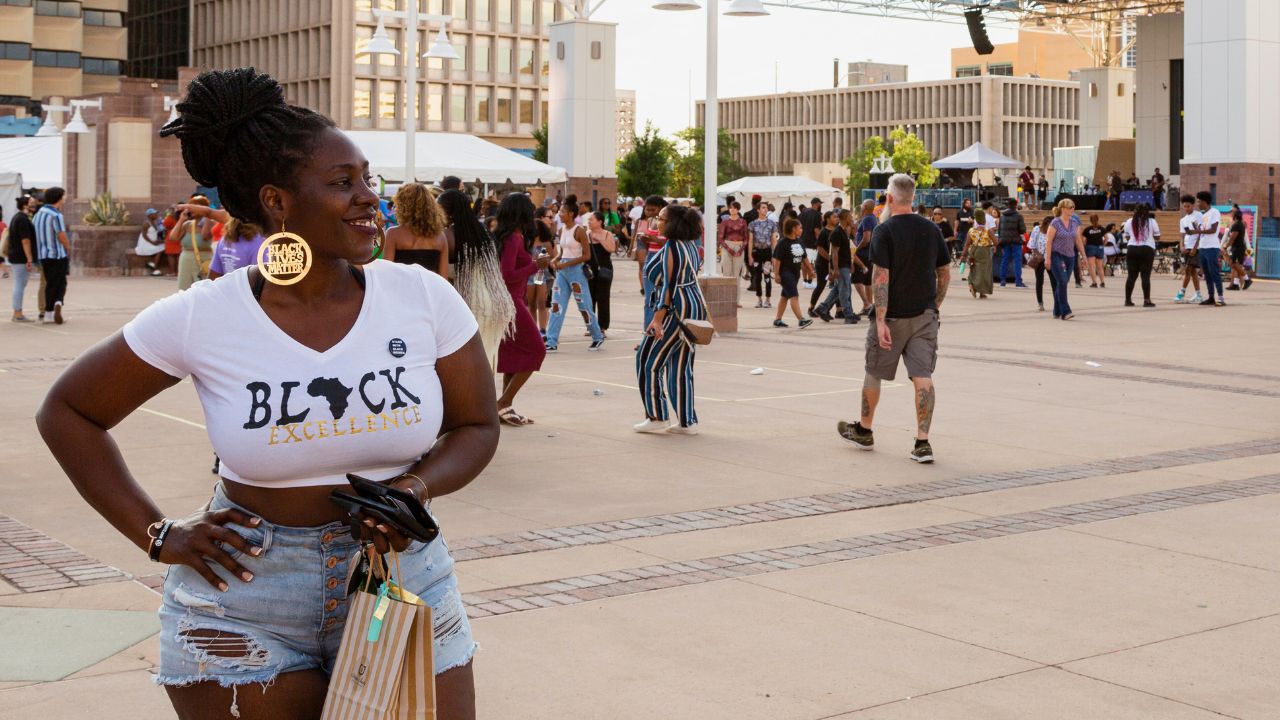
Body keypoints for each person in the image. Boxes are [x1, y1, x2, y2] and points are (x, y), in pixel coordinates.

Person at [37, 67, 494, 719]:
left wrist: (412, 489)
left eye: (368, 178)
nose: (370, 198)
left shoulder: (422, 299)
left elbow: (477, 425)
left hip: (402, 577)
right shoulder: (204, 316)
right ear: (277, 202)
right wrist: (159, 534)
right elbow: (69, 411)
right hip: (244, 597)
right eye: (343, 183)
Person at [837, 173, 949, 464]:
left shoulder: (885, 231)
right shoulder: (931, 229)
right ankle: (922, 442)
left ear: (889, 198)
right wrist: (934, 305)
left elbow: (880, 277)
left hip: (894, 316)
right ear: (913, 198)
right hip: (924, 317)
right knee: (923, 377)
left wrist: (881, 319)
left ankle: (864, 430)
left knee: (874, 371)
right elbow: (944, 272)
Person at [635, 205, 708, 435]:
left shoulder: (673, 248)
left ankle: (656, 415)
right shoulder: (690, 246)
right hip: (691, 309)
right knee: (680, 366)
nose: (658, 221)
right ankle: (687, 422)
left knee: (647, 360)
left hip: (675, 311)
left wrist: (657, 318)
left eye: (662, 218)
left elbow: (670, 286)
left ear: (674, 222)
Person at [437, 188, 515, 368]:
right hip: (494, 303)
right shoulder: (482, 232)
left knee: (471, 365)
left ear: (449, 211)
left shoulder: (447, 236)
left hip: (471, 303)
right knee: (488, 359)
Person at [494, 193, 548, 426]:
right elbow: (507, 275)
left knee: (514, 356)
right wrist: (535, 265)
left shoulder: (507, 236)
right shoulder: (514, 238)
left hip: (511, 300)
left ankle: (506, 407)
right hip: (512, 302)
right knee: (537, 350)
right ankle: (503, 402)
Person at [544, 201, 605, 352]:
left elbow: (586, 255)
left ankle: (597, 336)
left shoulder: (579, 231)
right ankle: (551, 340)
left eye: (562, 212)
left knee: (584, 306)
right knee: (556, 305)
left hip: (576, 271)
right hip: (562, 272)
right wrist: (555, 259)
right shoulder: (562, 229)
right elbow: (562, 251)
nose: (559, 214)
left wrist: (565, 264)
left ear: (571, 213)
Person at [382, 183, 449, 277]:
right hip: (429, 289)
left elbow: (386, 272)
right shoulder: (440, 236)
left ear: (402, 206)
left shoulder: (393, 234)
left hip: (402, 288)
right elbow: (444, 277)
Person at [34, 186, 70, 324]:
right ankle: (58, 303)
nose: (65, 199)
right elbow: (61, 234)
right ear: (59, 198)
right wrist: (68, 247)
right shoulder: (56, 215)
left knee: (50, 283)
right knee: (61, 283)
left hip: (43, 255)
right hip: (57, 255)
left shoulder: (39, 213)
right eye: (64, 196)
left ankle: (49, 312)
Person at [814, 209, 857, 324]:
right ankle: (848, 314)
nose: (851, 218)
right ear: (845, 217)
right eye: (850, 217)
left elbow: (846, 251)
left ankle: (822, 308)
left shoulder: (843, 231)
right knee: (844, 290)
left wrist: (850, 264)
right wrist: (835, 268)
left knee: (838, 289)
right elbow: (834, 252)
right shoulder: (837, 232)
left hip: (845, 265)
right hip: (841, 266)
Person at [771, 218, 815, 329]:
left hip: (795, 273)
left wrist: (811, 270)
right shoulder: (782, 243)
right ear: (793, 229)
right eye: (800, 227)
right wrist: (776, 274)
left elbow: (804, 258)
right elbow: (777, 260)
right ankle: (801, 320)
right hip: (785, 273)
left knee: (785, 296)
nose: (802, 229)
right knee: (794, 296)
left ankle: (777, 319)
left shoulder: (799, 241)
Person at [1046, 199, 1085, 319]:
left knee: (1062, 283)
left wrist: (1084, 256)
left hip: (1070, 256)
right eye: (1070, 207)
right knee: (1062, 281)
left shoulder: (1075, 223)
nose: (1072, 209)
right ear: (1063, 209)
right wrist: (1047, 259)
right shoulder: (1055, 222)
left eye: (1073, 207)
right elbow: (1049, 241)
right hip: (1056, 254)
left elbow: (1078, 240)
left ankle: (1056, 311)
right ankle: (1065, 311)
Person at [168, 194, 214, 291]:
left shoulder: (210, 222)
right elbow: (173, 237)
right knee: (184, 289)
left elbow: (205, 236)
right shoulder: (187, 224)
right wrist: (181, 219)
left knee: (204, 290)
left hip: (204, 260)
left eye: (193, 207)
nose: (190, 210)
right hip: (186, 259)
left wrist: (207, 216)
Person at [1191, 191, 1224, 306]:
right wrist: (1196, 230)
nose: (1198, 204)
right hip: (1203, 247)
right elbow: (1202, 232)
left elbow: (1213, 230)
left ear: (1205, 202)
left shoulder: (1214, 212)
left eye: (1199, 201)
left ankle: (1220, 297)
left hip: (1212, 247)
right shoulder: (1204, 215)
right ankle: (1211, 297)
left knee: (1214, 272)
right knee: (1207, 274)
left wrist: (1198, 230)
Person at [1122, 204, 1159, 307]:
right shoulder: (1152, 221)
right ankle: (1146, 300)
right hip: (1147, 249)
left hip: (1132, 249)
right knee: (1145, 276)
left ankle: (1127, 300)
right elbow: (1157, 236)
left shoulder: (1129, 221)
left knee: (1131, 276)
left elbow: (1127, 236)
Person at [586, 210, 616, 336]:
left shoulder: (607, 234)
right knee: (589, 298)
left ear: (599, 222)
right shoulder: (586, 234)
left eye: (591, 220)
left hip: (604, 269)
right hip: (589, 269)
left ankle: (602, 327)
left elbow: (612, 249)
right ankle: (591, 327)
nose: (589, 222)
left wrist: (600, 239)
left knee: (603, 298)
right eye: (588, 220)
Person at [8, 195, 37, 322]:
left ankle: (17, 312)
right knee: (19, 284)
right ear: (25, 205)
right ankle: (17, 313)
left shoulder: (17, 217)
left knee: (19, 284)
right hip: (20, 257)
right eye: (31, 202)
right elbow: (25, 240)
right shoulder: (23, 220)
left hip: (15, 255)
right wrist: (29, 258)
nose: (34, 204)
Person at [1175, 194, 1205, 304]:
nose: (1186, 208)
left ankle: (1181, 293)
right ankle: (1198, 295)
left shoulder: (1199, 216)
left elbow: (1200, 234)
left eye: (1188, 206)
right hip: (1186, 247)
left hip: (1195, 248)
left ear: (1193, 205)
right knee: (1192, 272)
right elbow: (1182, 235)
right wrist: (1182, 246)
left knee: (1188, 269)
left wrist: (1195, 247)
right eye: (1184, 206)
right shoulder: (1183, 220)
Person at [747, 206, 778, 308]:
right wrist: (750, 255)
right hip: (757, 252)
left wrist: (775, 255)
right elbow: (750, 240)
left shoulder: (771, 223)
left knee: (767, 276)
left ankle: (768, 300)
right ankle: (759, 299)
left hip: (767, 252)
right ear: (758, 210)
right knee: (757, 277)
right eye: (763, 208)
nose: (765, 210)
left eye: (766, 208)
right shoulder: (753, 224)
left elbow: (773, 239)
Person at [961, 208, 995, 299]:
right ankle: (981, 292)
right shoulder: (987, 231)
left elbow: (967, 244)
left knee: (974, 268)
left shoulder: (971, 230)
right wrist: (993, 245)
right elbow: (996, 242)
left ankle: (971, 284)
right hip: (984, 251)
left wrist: (963, 255)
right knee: (984, 271)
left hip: (973, 251)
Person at [808, 210, 835, 317]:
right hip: (822, 264)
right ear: (828, 219)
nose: (836, 219)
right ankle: (811, 307)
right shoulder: (824, 232)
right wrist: (830, 258)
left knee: (836, 287)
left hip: (834, 263)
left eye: (837, 217)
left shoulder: (837, 230)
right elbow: (819, 248)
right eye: (834, 217)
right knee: (821, 285)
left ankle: (837, 309)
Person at [997, 200, 1027, 288]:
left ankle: (1002, 280)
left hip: (1005, 241)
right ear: (1015, 205)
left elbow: (999, 230)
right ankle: (1018, 282)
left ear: (1008, 205)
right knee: (1017, 261)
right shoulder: (1019, 216)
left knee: (1005, 260)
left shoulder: (1002, 217)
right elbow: (1022, 230)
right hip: (1016, 241)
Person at [717, 200, 748, 285]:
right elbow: (720, 238)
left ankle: (736, 297)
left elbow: (746, 238)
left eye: (734, 208)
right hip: (727, 245)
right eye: (731, 208)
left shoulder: (743, 222)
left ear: (738, 209)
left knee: (737, 273)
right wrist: (728, 249)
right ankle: (727, 296)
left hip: (739, 246)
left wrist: (741, 250)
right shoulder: (725, 222)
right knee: (726, 272)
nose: (732, 209)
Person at [1027, 216, 1054, 311]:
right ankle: (1040, 303)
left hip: (1050, 259)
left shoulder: (1054, 231)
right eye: (1049, 227)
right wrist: (1039, 255)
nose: (1050, 229)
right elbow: (1032, 245)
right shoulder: (1036, 229)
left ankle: (1057, 303)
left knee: (1054, 281)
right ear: (1045, 224)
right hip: (1039, 260)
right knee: (1039, 281)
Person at [1224, 208, 1251, 291]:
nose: (1231, 215)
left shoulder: (1237, 225)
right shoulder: (1240, 224)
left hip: (1237, 248)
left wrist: (1225, 246)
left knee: (1234, 264)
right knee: (1235, 265)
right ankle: (1235, 284)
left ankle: (1247, 279)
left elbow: (1232, 238)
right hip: (1238, 247)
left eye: (1232, 213)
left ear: (1235, 215)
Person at [135, 208, 166, 275]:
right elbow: (144, 235)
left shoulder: (155, 222)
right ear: (150, 215)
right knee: (161, 248)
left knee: (164, 246)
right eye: (154, 214)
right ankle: (154, 266)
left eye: (156, 213)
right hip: (146, 243)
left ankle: (153, 264)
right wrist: (152, 242)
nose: (156, 215)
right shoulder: (146, 223)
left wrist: (159, 241)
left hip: (152, 241)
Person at [1081, 214, 1107, 288]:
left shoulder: (1087, 229)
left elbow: (1083, 240)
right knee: (1100, 267)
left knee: (1092, 267)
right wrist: (1103, 245)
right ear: (1098, 219)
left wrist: (1085, 247)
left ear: (1090, 220)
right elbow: (1106, 238)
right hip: (1100, 247)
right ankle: (1102, 282)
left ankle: (1094, 283)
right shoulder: (1102, 228)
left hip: (1090, 247)